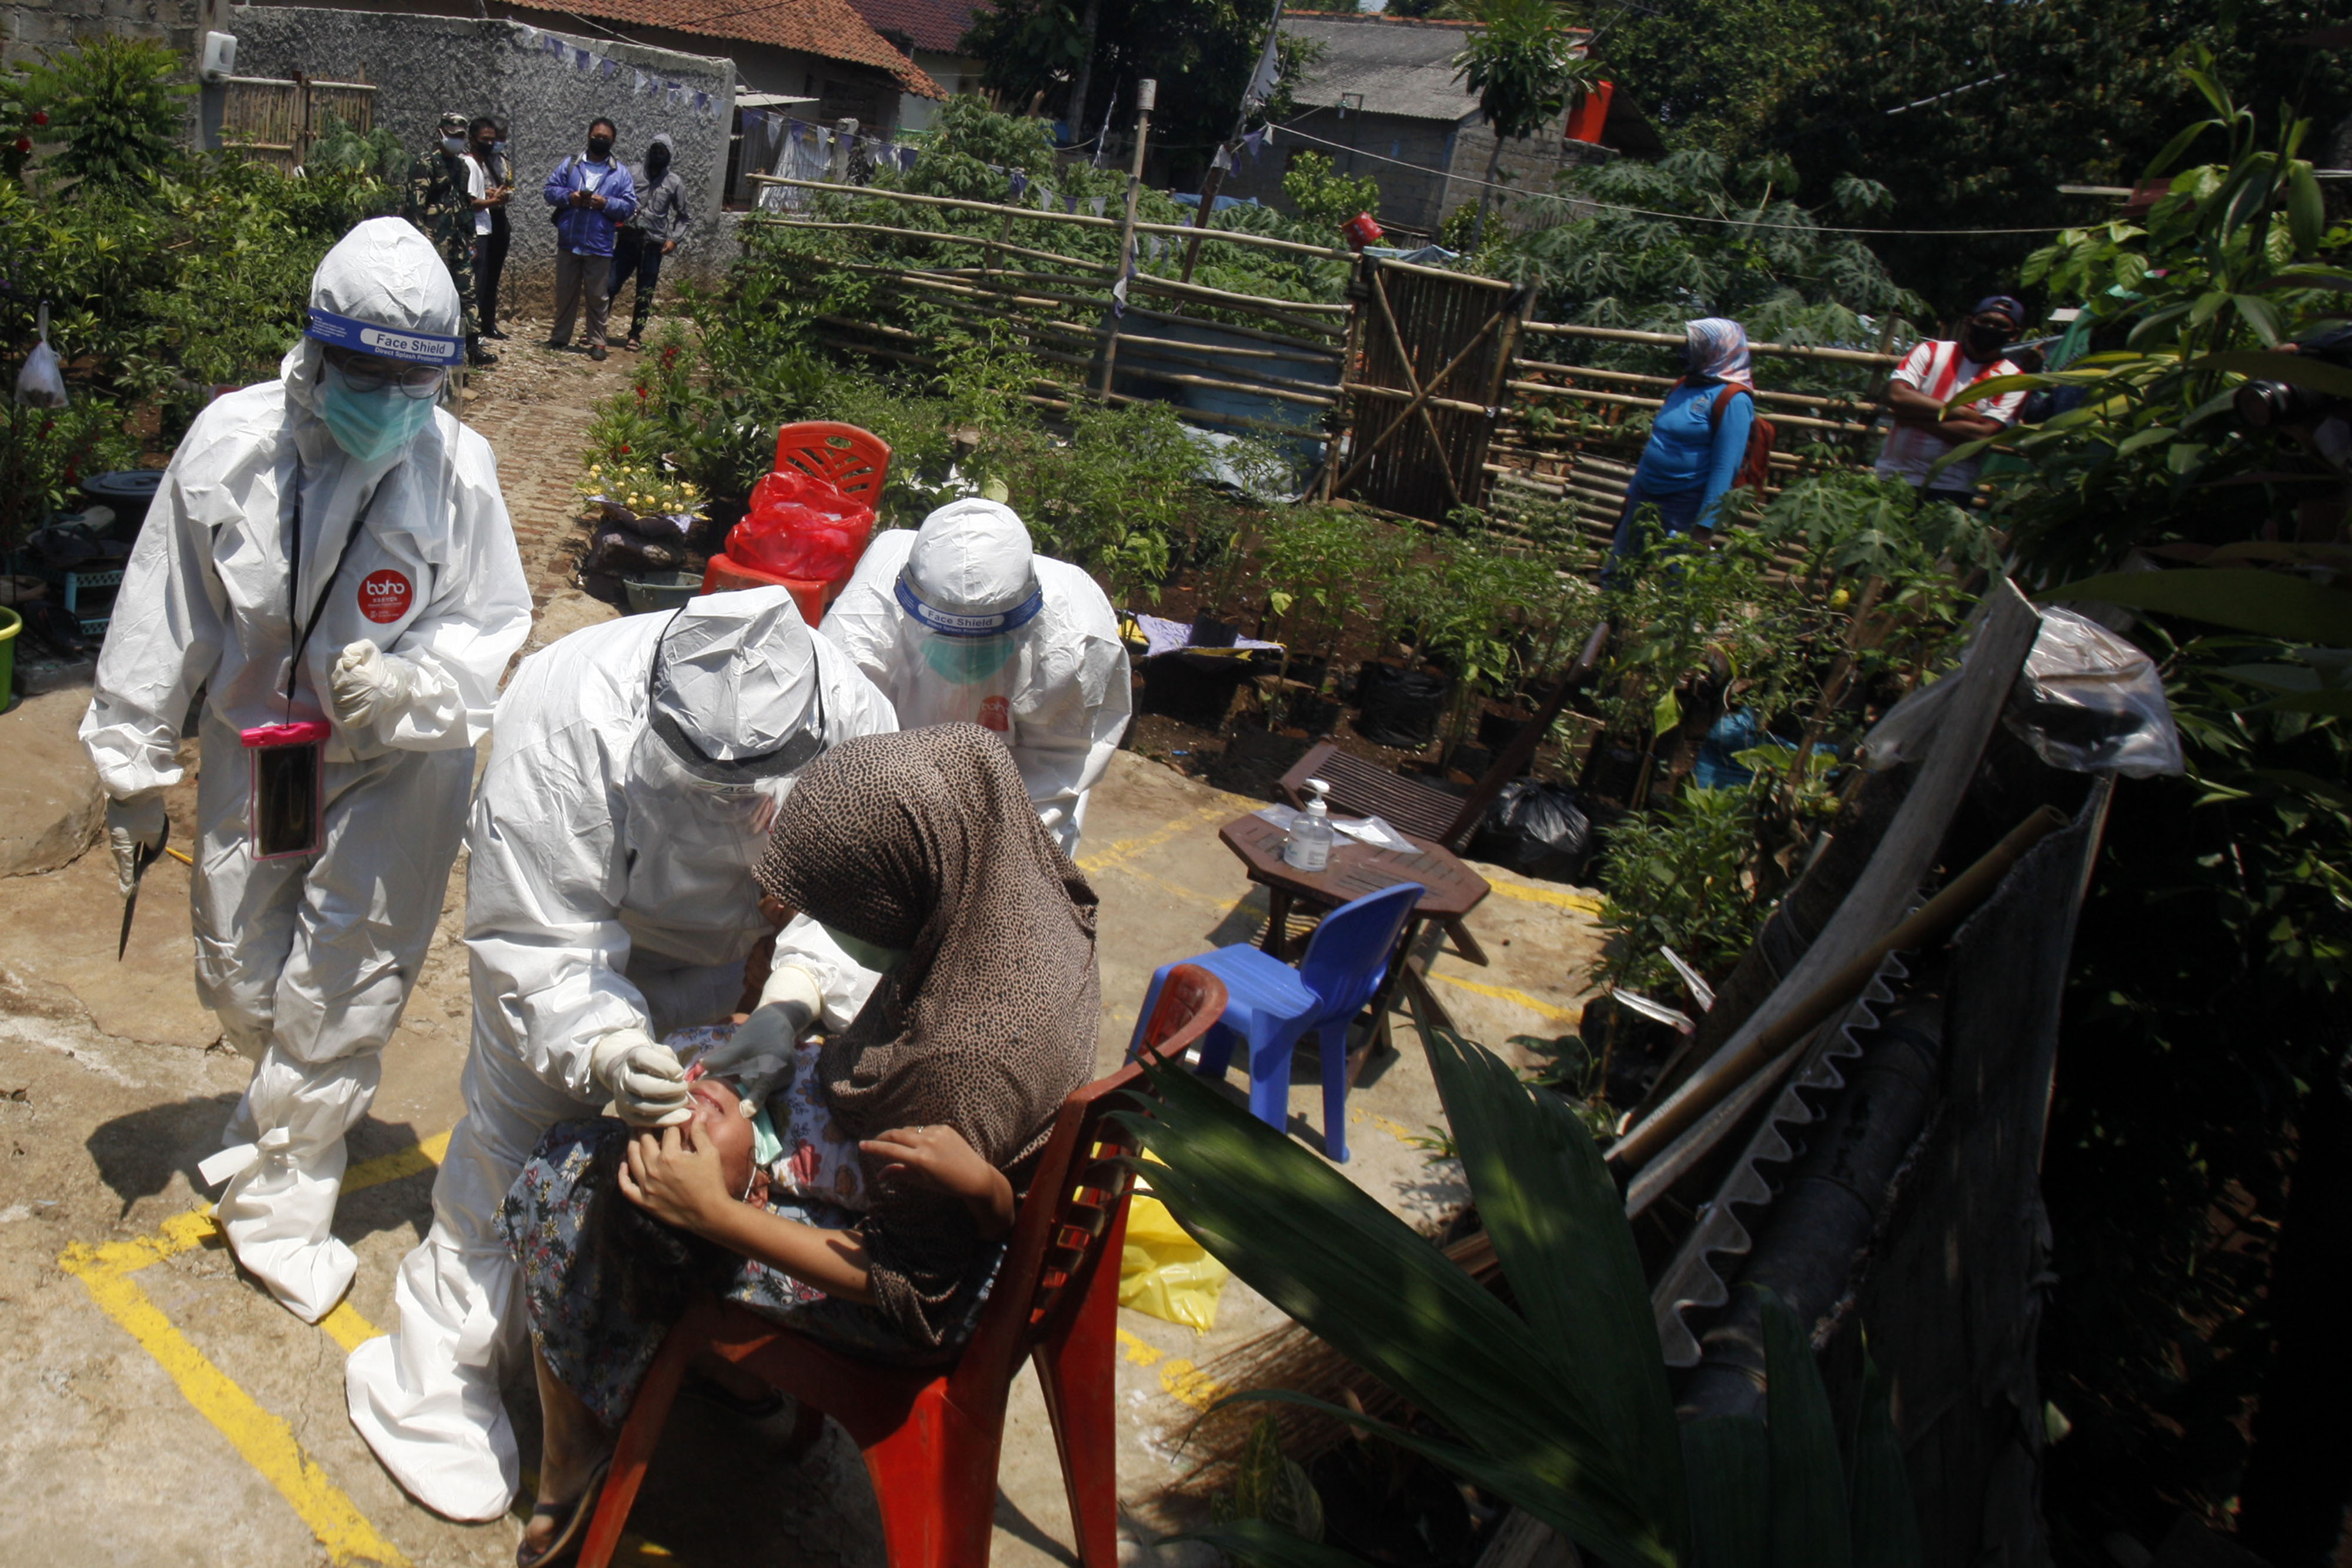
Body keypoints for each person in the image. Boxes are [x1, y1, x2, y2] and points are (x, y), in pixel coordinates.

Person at [345, 587, 898, 1523]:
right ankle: (437, 1369)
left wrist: (794, 991)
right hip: (574, 936)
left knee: (673, 1161)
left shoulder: (855, 716)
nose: (732, 803)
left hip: (719, 952)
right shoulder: (565, 708)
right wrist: (603, 1043)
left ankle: (636, 1335)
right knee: (511, 1145)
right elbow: (536, 933)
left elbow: (861, 884)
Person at [500, 726, 1100, 1563]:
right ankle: (728, 1373)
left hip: (939, 1290)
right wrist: (783, 1018)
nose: (694, 1103)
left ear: (761, 1190)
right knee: (604, 1164)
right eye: (687, 1130)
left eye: (843, 912)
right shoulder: (1008, 861)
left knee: (566, 1189)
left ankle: (576, 1444)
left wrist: (713, 1216)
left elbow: (911, 1291)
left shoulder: (957, 1074)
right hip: (981, 1210)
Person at [79, 218, 532, 1322]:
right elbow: (164, 607)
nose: (393, 401)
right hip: (263, 751)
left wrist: (413, 686)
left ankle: (285, 1200)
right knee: (239, 971)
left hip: (399, 763)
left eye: (417, 381)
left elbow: (490, 621)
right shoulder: (232, 446)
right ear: (318, 354)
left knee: (345, 982)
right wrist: (132, 766)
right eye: (370, 376)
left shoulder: (455, 469)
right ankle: (280, 1103)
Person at [821, 499, 1131, 855]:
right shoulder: (860, 629)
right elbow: (853, 748)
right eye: (946, 637)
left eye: (983, 642)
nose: (964, 661)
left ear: (1025, 618)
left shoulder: (1074, 645)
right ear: (906, 609)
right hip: (901, 772)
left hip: (1015, 778)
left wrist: (1001, 853)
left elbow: (1056, 769)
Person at [1608, 317, 1757, 570]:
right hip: (1646, 492)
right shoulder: (1685, 385)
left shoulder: (1733, 399)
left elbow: (1726, 467)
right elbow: (1659, 441)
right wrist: (1633, 491)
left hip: (1685, 502)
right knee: (1619, 568)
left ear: (1717, 350)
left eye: (1695, 345)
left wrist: (1706, 525)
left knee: (1677, 578)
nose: (1686, 350)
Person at [1875, 296, 2028, 506]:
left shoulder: (2013, 380)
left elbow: (1981, 436)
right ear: (1969, 322)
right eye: (1985, 321)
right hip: (1892, 475)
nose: (1991, 328)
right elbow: (1896, 395)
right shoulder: (1931, 351)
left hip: (1951, 487)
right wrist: (1959, 412)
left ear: (2015, 334)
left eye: (2001, 325)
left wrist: (1912, 417)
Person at [403, 111, 496, 369]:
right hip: (432, 242)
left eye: (461, 136)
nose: (458, 140)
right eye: (453, 135)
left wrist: (470, 238)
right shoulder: (425, 164)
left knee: (467, 292)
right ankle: (426, 348)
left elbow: (464, 204)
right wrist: (421, 243)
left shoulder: (462, 167)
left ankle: (473, 347)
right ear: (440, 133)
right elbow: (415, 208)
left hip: (457, 241)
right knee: (432, 294)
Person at [543, 117, 636, 362]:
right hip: (569, 240)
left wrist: (606, 203)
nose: (600, 141)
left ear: (613, 141)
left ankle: (598, 341)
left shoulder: (620, 173)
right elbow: (550, 190)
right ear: (588, 136)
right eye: (596, 137)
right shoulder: (571, 165)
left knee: (598, 297)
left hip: (599, 244)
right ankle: (560, 337)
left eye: (605, 138)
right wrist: (569, 197)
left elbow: (629, 206)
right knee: (565, 293)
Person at [610, 132, 691, 352]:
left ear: (669, 155)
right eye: (654, 150)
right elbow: (616, 197)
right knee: (610, 284)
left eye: (662, 151)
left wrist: (674, 240)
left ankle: (635, 335)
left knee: (645, 293)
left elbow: (684, 217)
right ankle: (596, 329)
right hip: (628, 239)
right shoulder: (632, 173)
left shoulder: (674, 183)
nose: (657, 154)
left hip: (653, 245)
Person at [467, 116, 513, 342]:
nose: (496, 143)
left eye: (501, 139)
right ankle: (473, 328)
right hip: (481, 217)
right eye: (494, 138)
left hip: (497, 217)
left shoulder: (503, 162)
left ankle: (489, 323)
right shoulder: (473, 161)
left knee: (492, 275)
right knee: (478, 275)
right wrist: (488, 196)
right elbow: (472, 193)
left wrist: (503, 195)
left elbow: (511, 187)